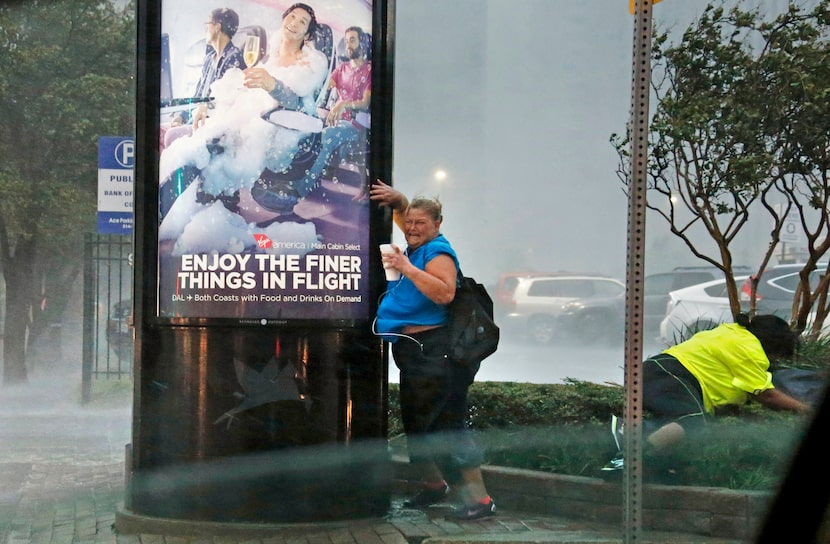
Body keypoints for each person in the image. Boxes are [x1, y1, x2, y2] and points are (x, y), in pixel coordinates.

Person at [369, 180, 496, 520]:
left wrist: (407, 269)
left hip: (436, 351)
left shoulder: (437, 251)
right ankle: (433, 484)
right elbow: (409, 225)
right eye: (408, 222)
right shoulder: (417, 242)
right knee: (417, 423)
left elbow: (444, 294)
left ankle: (480, 501)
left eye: (420, 223)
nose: (411, 228)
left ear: (437, 224)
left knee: (446, 427)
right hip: (414, 350)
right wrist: (400, 202)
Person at [158, 2, 329, 254]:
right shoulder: (272, 50)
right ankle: (189, 212)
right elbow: (245, 88)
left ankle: (163, 217)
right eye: (292, 16)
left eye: (302, 21)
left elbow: (297, 104)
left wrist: (272, 84)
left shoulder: (311, 63)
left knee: (204, 151)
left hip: (273, 132)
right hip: (246, 120)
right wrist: (211, 104)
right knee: (201, 149)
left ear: (308, 34)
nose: (294, 22)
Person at [603, 313, 812, 478]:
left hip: (656, 372)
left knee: (678, 426)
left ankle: (634, 454)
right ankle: (627, 445)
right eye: (776, 355)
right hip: (670, 375)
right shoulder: (749, 348)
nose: (773, 361)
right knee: (692, 422)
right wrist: (807, 409)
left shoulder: (732, 332)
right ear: (774, 344)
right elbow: (766, 396)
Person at [161, 7, 244, 151]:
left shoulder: (234, 59)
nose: (205, 28)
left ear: (217, 27)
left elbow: (229, 101)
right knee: (161, 131)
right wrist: (181, 116)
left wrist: (207, 109)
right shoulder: (208, 59)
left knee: (170, 136)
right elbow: (198, 95)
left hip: (214, 125)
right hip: (196, 118)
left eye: (207, 24)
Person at [303, 26, 371, 198]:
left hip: (355, 122)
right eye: (346, 40)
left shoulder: (370, 71)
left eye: (352, 40)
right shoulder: (342, 69)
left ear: (362, 43)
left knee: (326, 137)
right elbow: (324, 86)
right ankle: (307, 178)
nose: (348, 44)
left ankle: (300, 189)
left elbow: (365, 103)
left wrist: (342, 106)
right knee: (307, 131)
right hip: (335, 117)